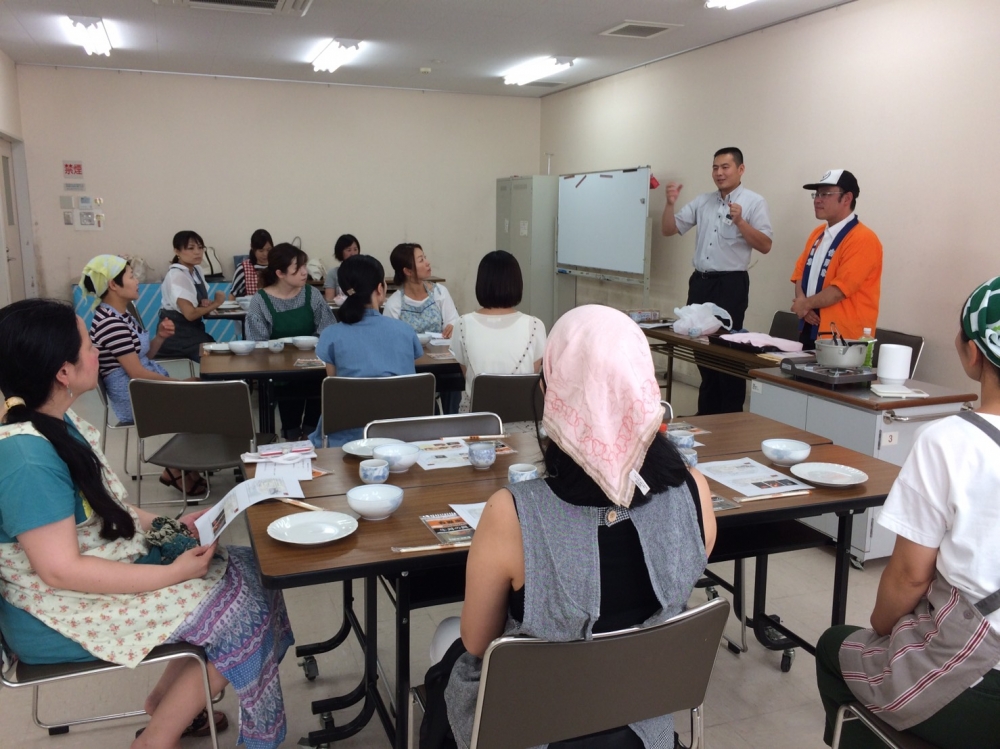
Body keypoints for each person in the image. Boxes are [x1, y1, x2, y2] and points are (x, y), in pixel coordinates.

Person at [0, 298, 294, 749]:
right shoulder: (26, 457)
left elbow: (108, 506)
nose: (97, 349)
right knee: (241, 614)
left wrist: (174, 525)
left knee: (257, 573)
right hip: (54, 611)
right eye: (87, 342)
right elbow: (59, 570)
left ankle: (167, 705)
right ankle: (156, 739)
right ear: (62, 372)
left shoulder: (55, 423)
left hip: (88, 574)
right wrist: (171, 572)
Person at [420, 305, 716, 749]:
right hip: (638, 722)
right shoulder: (695, 492)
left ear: (553, 395)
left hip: (530, 728)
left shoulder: (512, 514)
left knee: (449, 647)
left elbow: (478, 642)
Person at [814, 276, 1000, 748]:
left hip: (983, 682)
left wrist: (881, 628)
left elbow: (910, 578)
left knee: (837, 646)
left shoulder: (951, 441)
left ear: (971, 352)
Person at [80, 255, 205, 496]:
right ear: (113, 285)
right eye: (130, 275)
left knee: (201, 392)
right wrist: (179, 384)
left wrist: (160, 337)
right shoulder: (111, 323)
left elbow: (144, 357)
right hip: (134, 397)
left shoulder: (121, 315)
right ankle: (175, 467)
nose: (137, 280)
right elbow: (136, 372)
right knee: (201, 397)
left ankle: (184, 465)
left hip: (140, 388)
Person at [661, 147, 773, 415]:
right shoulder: (703, 201)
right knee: (700, 349)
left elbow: (766, 245)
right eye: (715, 167)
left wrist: (741, 221)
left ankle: (730, 416)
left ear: (740, 169)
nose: (719, 173)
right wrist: (670, 203)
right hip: (700, 283)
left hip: (730, 284)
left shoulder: (755, 202)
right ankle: (707, 415)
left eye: (725, 167)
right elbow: (668, 229)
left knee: (725, 350)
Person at [309, 254, 423, 448]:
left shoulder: (331, 335)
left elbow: (335, 391)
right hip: (401, 437)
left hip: (343, 440)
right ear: (380, 288)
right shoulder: (405, 331)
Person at [245, 243, 336, 439]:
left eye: (304, 267)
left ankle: (312, 438)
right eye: (298, 268)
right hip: (280, 372)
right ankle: (292, 438)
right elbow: (258, 342)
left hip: (315, 367)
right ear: (280, 273)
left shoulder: (311, 294)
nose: (305, 272)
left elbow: (328, 328)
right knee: (291, 421)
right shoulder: (260, 301)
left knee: (316, 413)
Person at [448, 251, 546, 429]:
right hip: (524, 425)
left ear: (481, 283)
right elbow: (531, 378)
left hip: (477, 424)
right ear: (517, 284)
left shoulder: (462, 324)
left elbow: (468, 374)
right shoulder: (534, 325)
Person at [791, 170, 883, 345]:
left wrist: (805, 304)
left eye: (825, 194)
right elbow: (799, 274)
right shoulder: (817, 234)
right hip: (810, 327)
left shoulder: (863, 238)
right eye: (816, 194)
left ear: (847, 198)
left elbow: (841, 289)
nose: (817, 200)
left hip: (843, 337)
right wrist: (804, 305)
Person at [155, 230, 225, 362]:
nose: (197, 252)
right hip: (177, 335)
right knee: (216, 359)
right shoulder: (177, 275)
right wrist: (216, 303)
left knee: (220, 352)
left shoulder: (196, 270)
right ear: (177, 251)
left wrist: (202, 302)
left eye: (200, 247)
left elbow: (193, 300)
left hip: (193, 330)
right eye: (191, 248)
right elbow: (190, 314)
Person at [384, 243, 460, 338]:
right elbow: (390, 337)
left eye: (425, 257)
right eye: (421, 260)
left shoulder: (439, 292)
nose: (427, 262)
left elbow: (454, 322)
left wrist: (453, 327)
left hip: (441, 351)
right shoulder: (394, 304)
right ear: (408, 271)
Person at [229, 228, 273, 299]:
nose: (265, 254)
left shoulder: (278, 266)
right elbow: (233, 295)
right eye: (261, 251)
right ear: (252, 248)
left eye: (269, 250)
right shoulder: (243, 269)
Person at [323, 233, 360, 303]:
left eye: (355, 249)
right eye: (349, 250)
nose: (353, 253)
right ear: (340, 252)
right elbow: (329, 301)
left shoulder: (364, 271)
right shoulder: (333, 273)